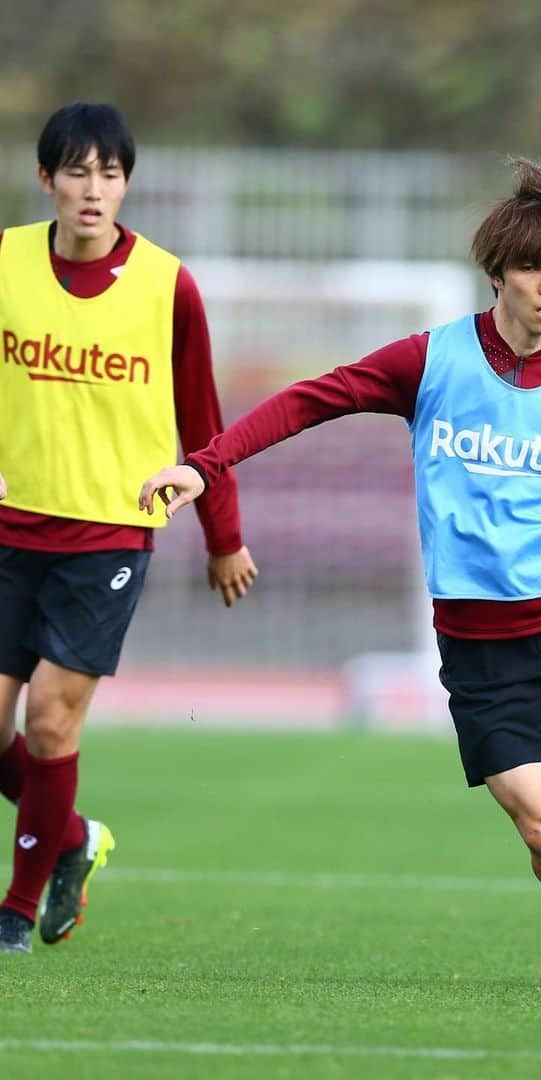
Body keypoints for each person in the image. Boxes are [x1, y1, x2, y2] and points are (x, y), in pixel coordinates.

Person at [138, 158, 541, 994]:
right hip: (485, 649)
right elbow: (309, 399)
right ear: (496, 275)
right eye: (534, 268)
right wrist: (207, 464)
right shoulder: (432, 362)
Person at [0, 102, 258, 954]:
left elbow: (202, 415)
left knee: (48, 723)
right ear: (46, 180)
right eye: (76, 171)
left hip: (108, 534)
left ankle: (15, 909)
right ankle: (72, 835)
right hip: (11, 525)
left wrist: (223, 534)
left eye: (109, 173)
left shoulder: (166, 284)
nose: (93, 189)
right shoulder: (4, 262)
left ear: (126, 184)